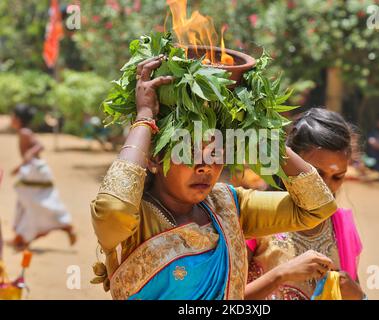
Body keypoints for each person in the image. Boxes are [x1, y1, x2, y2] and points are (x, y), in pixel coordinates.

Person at [90, 57, 338, 300]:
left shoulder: (228, 205)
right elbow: (113, 206)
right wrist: (144, 116)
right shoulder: (135, 221)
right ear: (154, 158)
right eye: (189, 152)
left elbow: (318, 205)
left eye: (216, 153)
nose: (205, 167)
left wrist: (259, 125)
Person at [245, 108, 365, 300]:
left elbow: (352, 291)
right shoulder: (255, 216)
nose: (325, 188)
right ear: (290, 163)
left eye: (337, 177)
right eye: (317, 175)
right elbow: (224, 298)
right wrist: (281, 274)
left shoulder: (341, 227)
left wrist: (358, 295)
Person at [9, 104, 76, 250]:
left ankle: (63, 225)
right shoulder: (23, 132)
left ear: (18, 119)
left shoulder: (25, 132)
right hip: (34, 171)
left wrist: (29, 155)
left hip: (35, 171)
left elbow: (39, 146)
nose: (11, 119)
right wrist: (20, 166)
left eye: (13, 116)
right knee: (29, 201)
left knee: (32, 202)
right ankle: (24, 236)